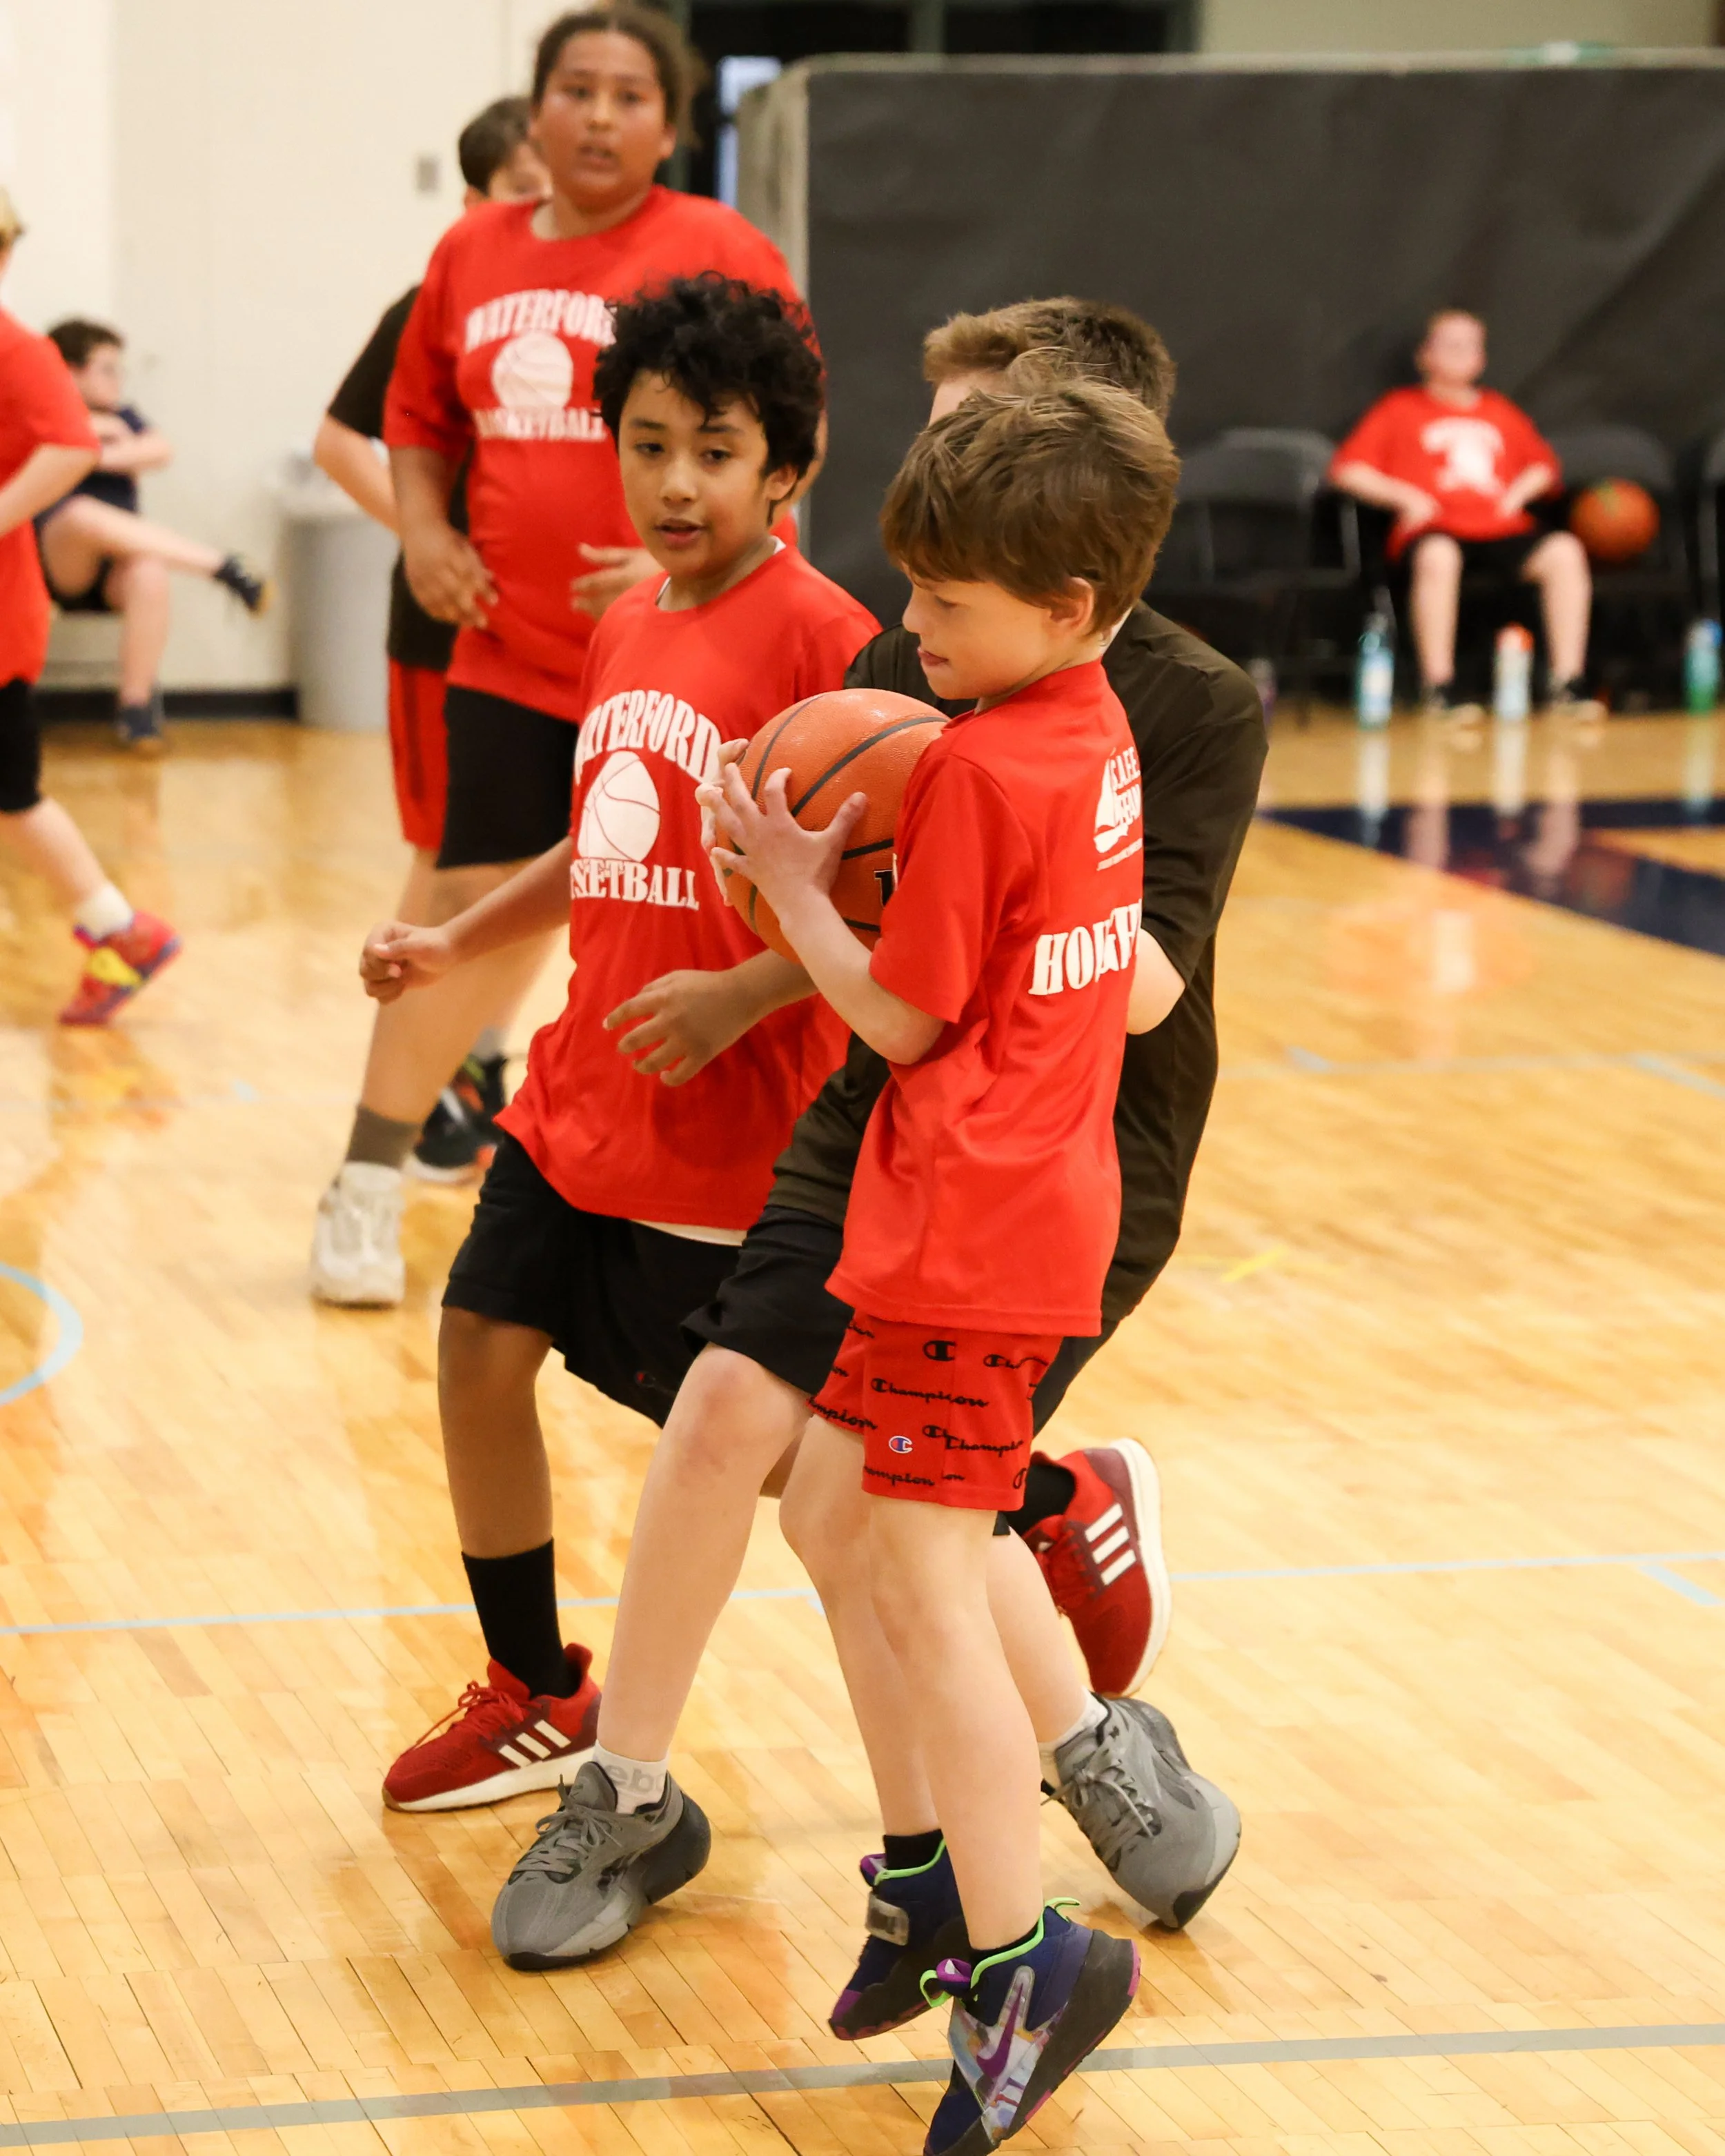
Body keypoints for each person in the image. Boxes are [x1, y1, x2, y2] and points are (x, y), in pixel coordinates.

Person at [474, 300, 1259, 1985]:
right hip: (891, 1117)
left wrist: (974, 866)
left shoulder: (1179, 710)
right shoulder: (927, 656)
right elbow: (861, 919)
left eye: (975, 445)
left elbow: (1124, 987)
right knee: (737, 1426)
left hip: (1071, 1143)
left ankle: (1060, 1765)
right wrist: (772, 948)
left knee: (892, 1509)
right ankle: (640, 1792)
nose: (935, 494)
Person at [708, 375, 1177, 2153]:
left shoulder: (980, 766)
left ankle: (1024, 1956)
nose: (909, 632)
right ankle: (923, 1881)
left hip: (968, 1230)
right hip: (1016, 1208)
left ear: (1062, 606)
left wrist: (794, 877)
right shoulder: (1096, 719)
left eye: (945, 607)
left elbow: (903, 1014)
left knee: (923, 1579)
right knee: (832, 1512)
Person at [361, 274, 872, 1805]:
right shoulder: (629, 620)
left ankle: (1037, 1510)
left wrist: (742, 993)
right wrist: (458, 939)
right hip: (583, 1087)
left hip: (734, 1123)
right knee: (474, 1344)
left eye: (712, 452)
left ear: (785, 466)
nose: (670, 482)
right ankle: (535, 1682)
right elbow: (604, 833)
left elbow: (893, 917)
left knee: (789, 1467)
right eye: (645, 445)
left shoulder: (832, 647)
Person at [310, 1, 807, 1307]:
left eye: (629, 94)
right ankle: (367, 1180)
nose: (598, 115)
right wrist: (421, 528)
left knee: (663, 904)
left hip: (679, 660)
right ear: (534, 109)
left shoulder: (718, 246)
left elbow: (791, 426)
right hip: (507, 650)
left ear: (672, 123)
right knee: (467, 893)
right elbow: (412, 415)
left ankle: (681, 1196)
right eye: (574, 89)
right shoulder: (469, 248)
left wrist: (678, 567)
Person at [311, 97, 548, 1202]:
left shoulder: (603, 301)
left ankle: (479, 1065)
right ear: (471, 201)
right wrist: (424, 535)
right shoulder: (440, 299)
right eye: (519, 186)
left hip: (564, 639)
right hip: (450, 637)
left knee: (556, 867)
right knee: (451, 860)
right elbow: (338, 435)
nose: (544, 205)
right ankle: (408, 1115)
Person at [0, 186, 181, 1025]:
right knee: (14, 794)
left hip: (4, 618)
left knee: (16, 792)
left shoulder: (18, 348)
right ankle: (120, 927)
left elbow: (72, 442)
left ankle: (123, 927)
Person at [1330, 308, 1599, 722]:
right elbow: (1347, 471)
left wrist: (1517, 493)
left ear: (1482, 358)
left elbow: (1544, 466)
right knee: (1440, 557)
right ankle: (1439, 686)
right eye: (1449, 344)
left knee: (1564, 551)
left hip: (1498, 526)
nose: (1461, 353)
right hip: (1436, 528)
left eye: (1470, 345)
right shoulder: (1398, 409)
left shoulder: (1499, 411)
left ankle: (1568, 683)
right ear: (1425, 355)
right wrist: (1405, 497)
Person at [34, 319, 270, 754]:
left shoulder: (124, 415)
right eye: (107, 369)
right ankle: (220, 566)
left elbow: (160, 450)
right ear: (70, 371)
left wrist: (96, 451)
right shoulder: (42, 410)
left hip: (113, 572)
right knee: (82, 514)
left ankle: (136, 710)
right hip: (59, 563)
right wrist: (94, 439)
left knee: (150, 573)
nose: (118, 380)